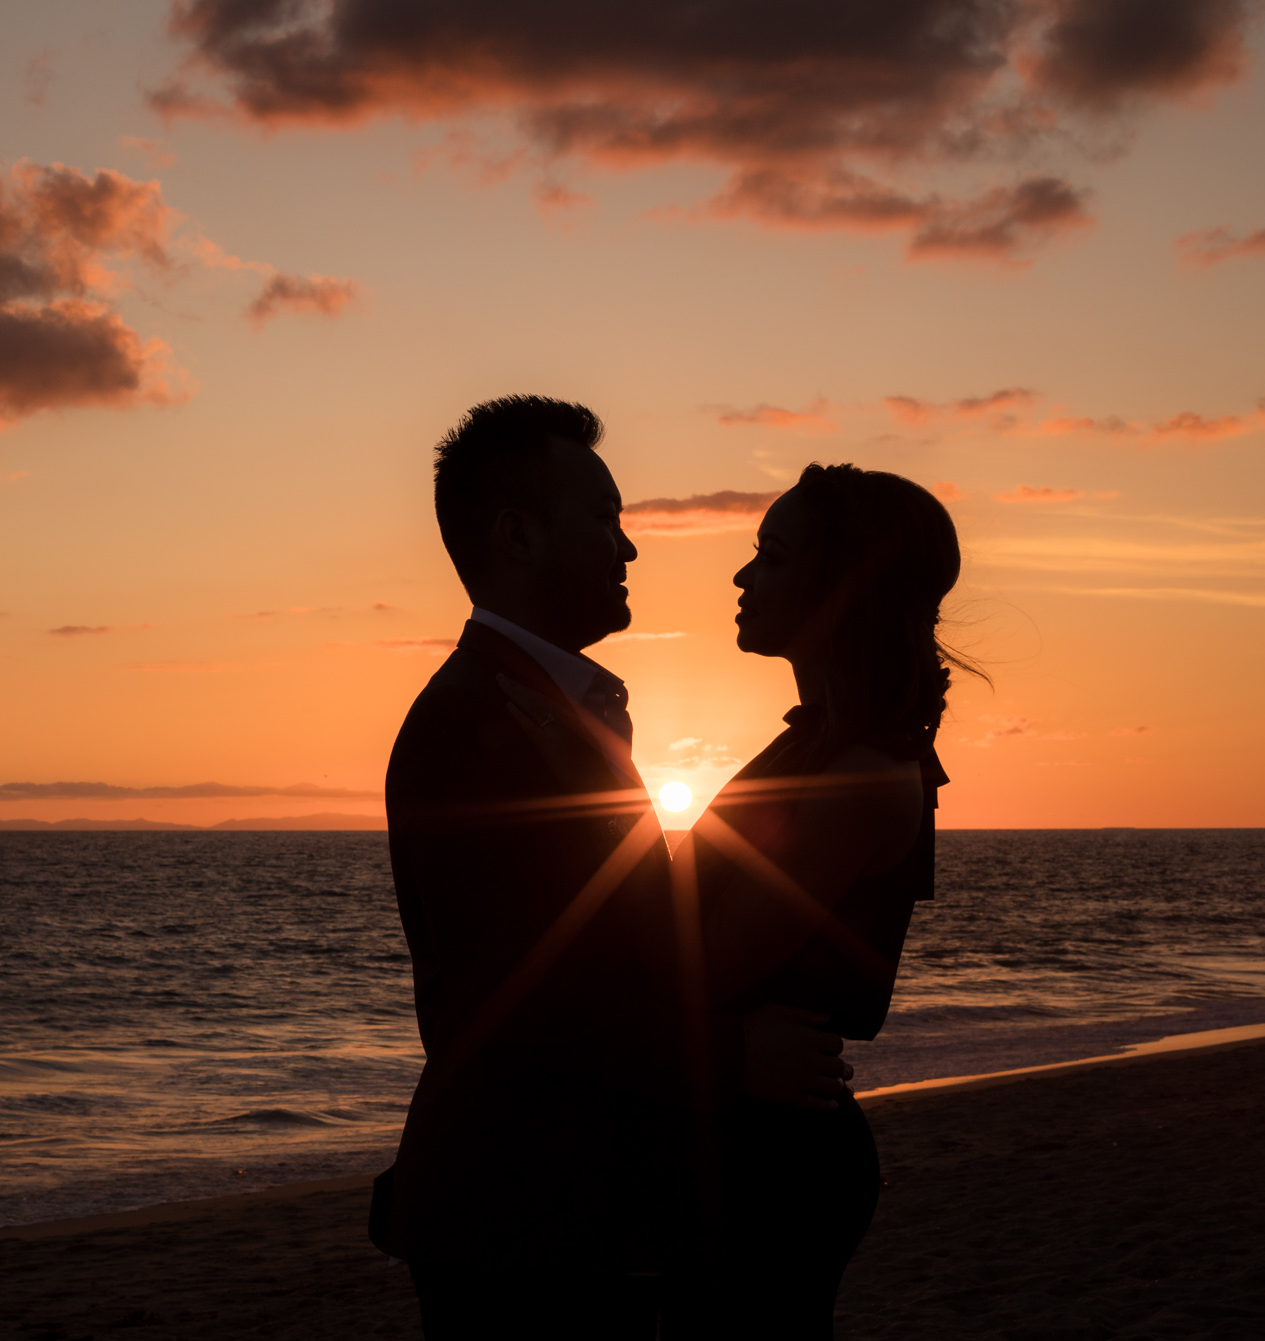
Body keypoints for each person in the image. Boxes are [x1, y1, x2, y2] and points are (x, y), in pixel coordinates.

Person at [370, 397, 846, 1338]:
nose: (628, 550)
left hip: (571, 1207)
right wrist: (735, 1053)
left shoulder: (552, 709)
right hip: (524, 1222)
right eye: (603, 520)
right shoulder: (476, 723)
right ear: (517, 536)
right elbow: (515, 1000)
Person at [665, 463, 972, 1337]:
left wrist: (724, 1047)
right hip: (738, 1133)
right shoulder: (819, 746)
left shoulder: (861, 777)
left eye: (771, 556)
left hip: (775, 1157)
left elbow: (703, 959)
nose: (742, 577)